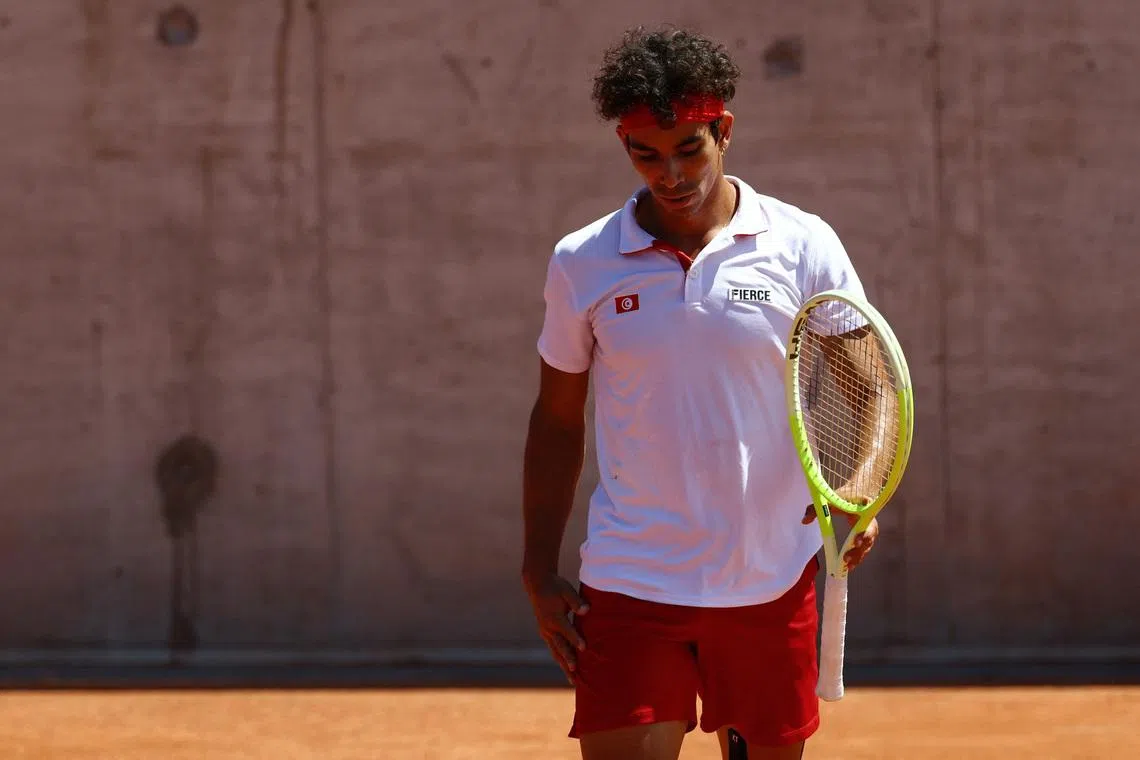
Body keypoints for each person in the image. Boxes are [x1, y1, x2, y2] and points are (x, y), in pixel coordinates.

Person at [521, 26, 880, 760]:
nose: (670, 173)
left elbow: (870, 386)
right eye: (645, 153)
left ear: (724, 130)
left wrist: (861, 486)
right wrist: (536, 565)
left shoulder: (803, 244)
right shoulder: (583, 261)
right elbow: (557, 422)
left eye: (690, 148)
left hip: (770, 578)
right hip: (630, 581)